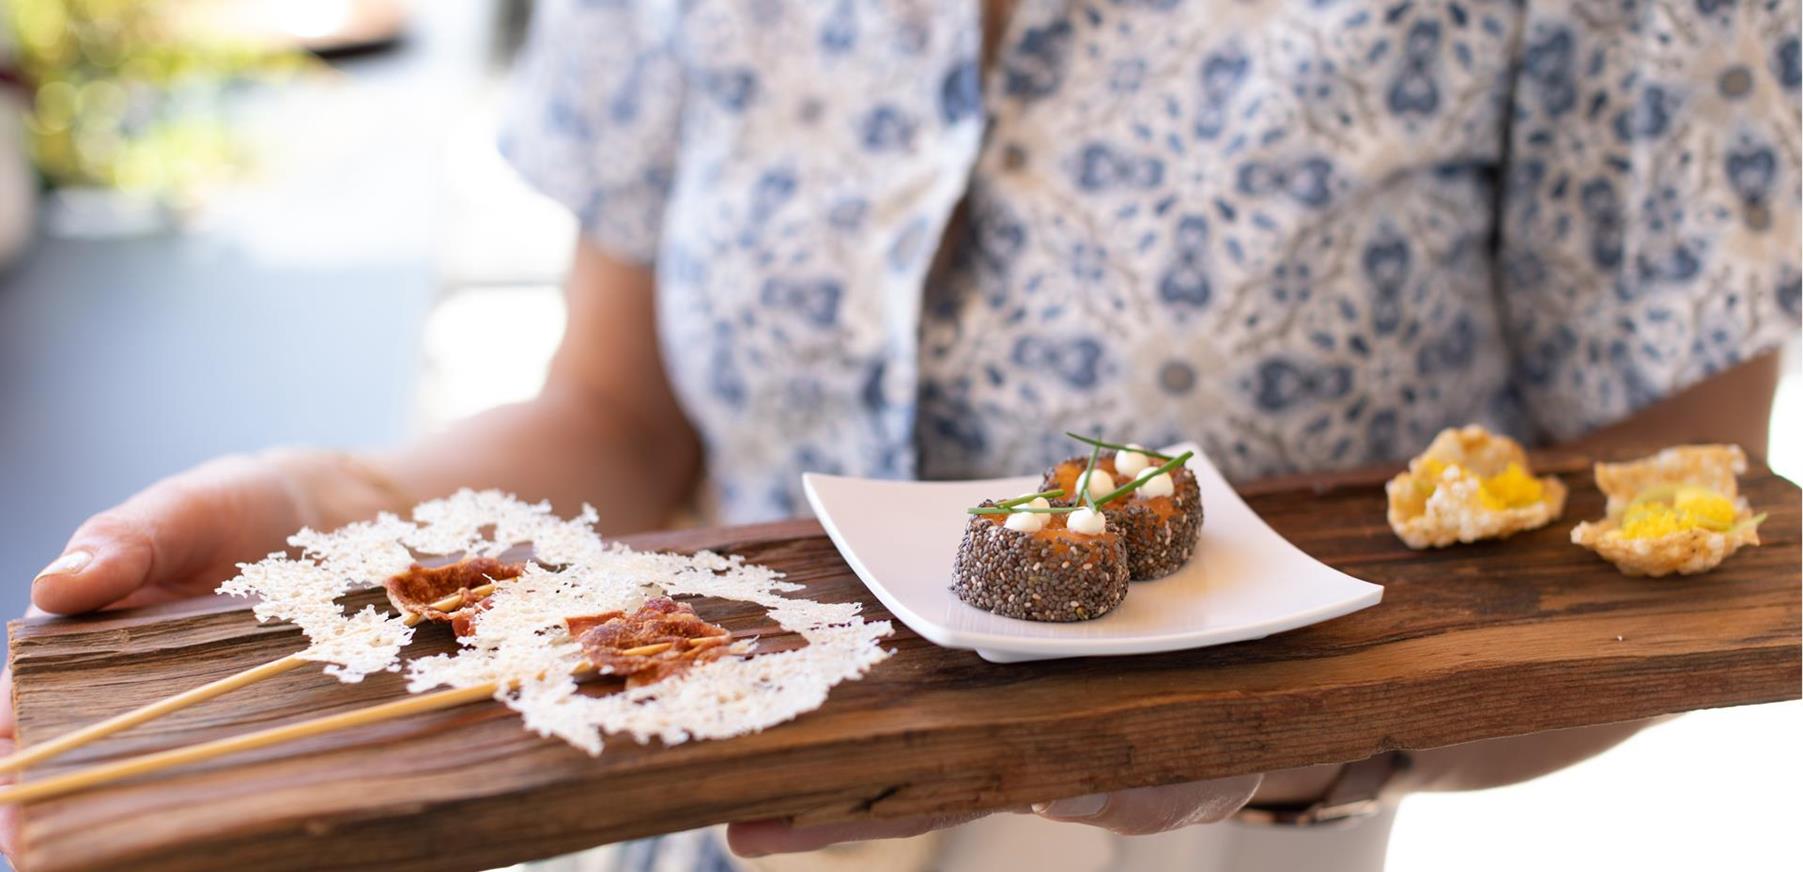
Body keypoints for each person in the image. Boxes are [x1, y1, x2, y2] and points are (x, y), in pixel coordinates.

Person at [4, 0, 1797, 868]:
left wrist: (1294, 738)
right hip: (687, 811)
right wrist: (368, 507)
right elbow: (621, 415)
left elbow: (1661, 584)